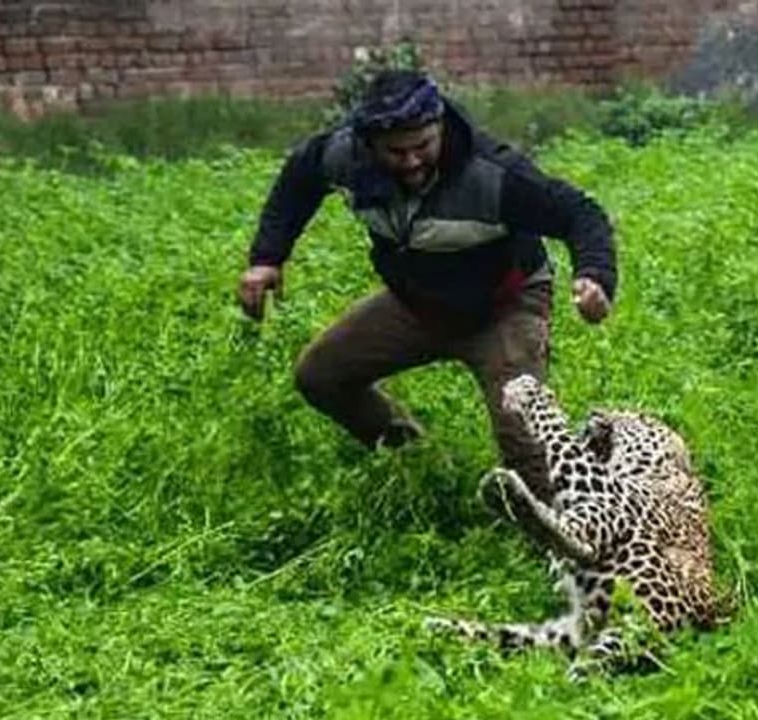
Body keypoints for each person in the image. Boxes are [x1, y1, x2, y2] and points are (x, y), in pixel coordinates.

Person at [236, 69, 617, 505]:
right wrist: (267, 258)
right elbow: (299, 179)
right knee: (321, 376)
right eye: (396, 152)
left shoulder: (492, 174)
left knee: (525, 439)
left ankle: (569, 528)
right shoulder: (344, 156)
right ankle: (420, 461)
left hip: (504, 306)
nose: (412, 161)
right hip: (416, 305)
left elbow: (580, 214)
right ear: (369, 143)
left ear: (440, 128)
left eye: (423, 146)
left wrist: (594, 276)